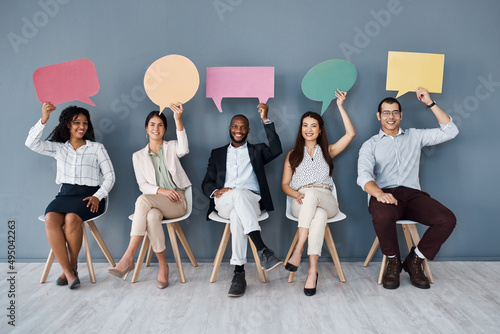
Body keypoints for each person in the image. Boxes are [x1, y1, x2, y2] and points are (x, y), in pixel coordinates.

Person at [357, 87, 459, 289]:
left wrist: (429, 102)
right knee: (382, 215)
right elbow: (364, 177)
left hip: (413, 195)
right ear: (379, 116)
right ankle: (393, 261)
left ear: (401, 115)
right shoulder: (370, 145)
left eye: (395, 112)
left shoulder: (415, 136)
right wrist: (379, 194)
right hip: (385, 193)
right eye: (386, 112)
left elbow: (451, 131)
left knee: (447, 219)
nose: (391, 116)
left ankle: (415, 259)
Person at [26, 102, 115, 289]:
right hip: (65, 194)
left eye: (85, 123)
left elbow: (110, 176)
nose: (81, 127)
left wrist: (99, 195)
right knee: (50, 217)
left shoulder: (96, 148)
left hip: (90, 195)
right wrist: (44, 119)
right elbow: (31, 143)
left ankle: (71, 266)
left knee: (72, 218)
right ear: (68, 125)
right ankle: (68, 271)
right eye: (76, 122)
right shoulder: (59, 148)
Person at [202, 103, 283, 297]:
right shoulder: (217, 153)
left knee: (238, 213)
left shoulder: (257, 150)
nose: (239, 130)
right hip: (224, 201)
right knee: (236, 195)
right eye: (235, 126)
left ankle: (239, 274)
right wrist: (215, 192)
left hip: (251, 201)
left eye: (243, 127)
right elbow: (206, 182)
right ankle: (262, 249)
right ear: (230, 128)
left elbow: (277, 149)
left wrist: (266, 119)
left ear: (248, 130)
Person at [108, 104, 190, 289]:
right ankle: (163, 266)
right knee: (151, 216)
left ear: (165, 129)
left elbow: (184, 149)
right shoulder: (137, 156)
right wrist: (161, 191)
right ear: (146, 128)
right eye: (152, 125)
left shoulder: (173, 147)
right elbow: (142, 185)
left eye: (160, 125)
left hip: (178, 202)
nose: (156, 128)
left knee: (142, 200)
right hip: (157, 202)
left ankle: (128, 257)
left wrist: (178, 119)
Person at [281, 90, 354, 296]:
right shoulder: (292, 155)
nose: (309, 129)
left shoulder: (328, 151)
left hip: (327, 199)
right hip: (301, 201)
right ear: (301, 129)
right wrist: (296, 195)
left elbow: (350, 134)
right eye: (305, 125)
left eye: (313, 125)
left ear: (320, 130)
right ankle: (312, 271)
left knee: (314, 197)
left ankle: (298, 249)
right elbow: (285, 185)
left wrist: (340, 106)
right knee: (318, 215)